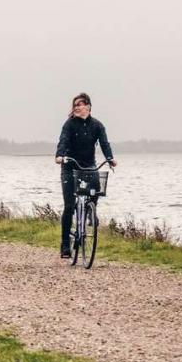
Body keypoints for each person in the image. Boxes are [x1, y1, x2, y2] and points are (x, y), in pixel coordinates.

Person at [54, 92, 117, 257]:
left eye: (79, 104)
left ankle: (90, 211)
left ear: (88, 106)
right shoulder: (69, 124)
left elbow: (104, 143)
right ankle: (65, 245)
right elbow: (63, 140)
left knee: (96, 187)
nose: (76, 107)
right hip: (69, 166)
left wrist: (110, 159)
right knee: (69, 205)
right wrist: (59, 156)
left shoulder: (97, 125)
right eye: (75, 105)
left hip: (88, 165)